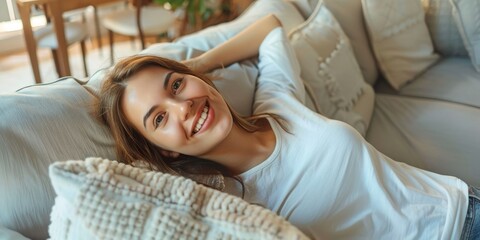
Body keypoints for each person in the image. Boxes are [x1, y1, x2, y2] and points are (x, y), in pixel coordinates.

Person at [97, 14, 479, 240]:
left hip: (464, 201)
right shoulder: (234, 205)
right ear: (164, 150)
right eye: (159, 118)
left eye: (176, 86)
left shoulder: (276, 103)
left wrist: (197, 66)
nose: (183, 106)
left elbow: (270, 27)